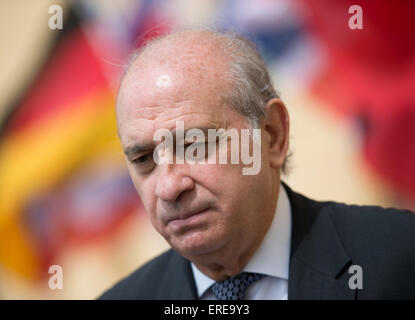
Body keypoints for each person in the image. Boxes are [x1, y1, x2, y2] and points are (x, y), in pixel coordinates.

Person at [99, 29, 415, 300]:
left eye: (194, 146)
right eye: (143, 159)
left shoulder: (401, 256)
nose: (168, 187)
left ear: (271, 134)